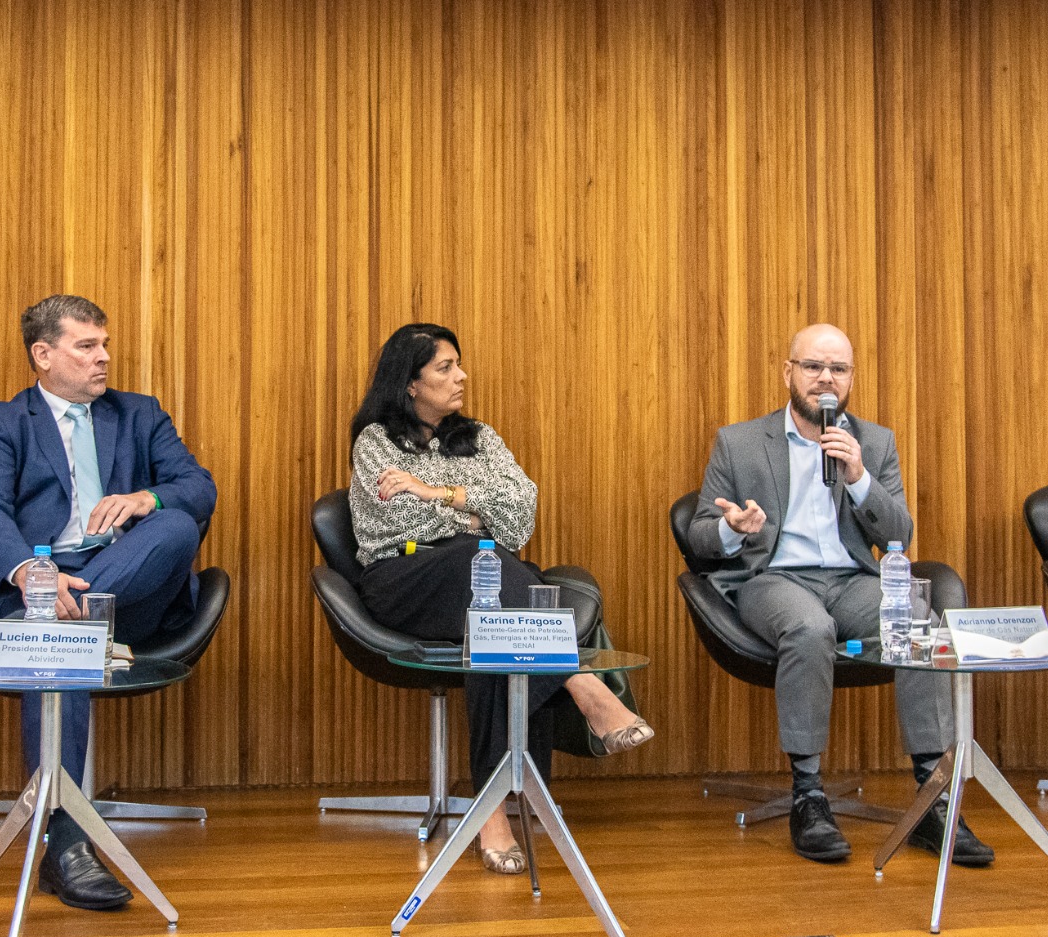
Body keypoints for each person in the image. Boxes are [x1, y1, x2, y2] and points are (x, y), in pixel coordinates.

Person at [349, 323, 652, 875]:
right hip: (405, 578)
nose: (461, 376)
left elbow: (520, 514)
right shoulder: (376, 441)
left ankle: (495, 816)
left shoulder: (480, 438)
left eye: (458, 364)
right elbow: (397, 517)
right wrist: (470, 517)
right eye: (444, 368)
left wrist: (439, 492)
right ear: (410, 383)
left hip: (482, 573)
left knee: (496, 618)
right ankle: (580, 681)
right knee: (482, 565)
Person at [688, 323, 990, 865]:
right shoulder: (738, 441)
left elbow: (898, 535)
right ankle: (808, 794)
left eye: (839, 369)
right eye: (813, 367)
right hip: (775, 579)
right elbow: (701, 534)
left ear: (850, 378)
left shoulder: (874, 442)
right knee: (809, 628)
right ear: (789, 372)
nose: (825, 379)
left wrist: (858, 478)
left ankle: (931, 800)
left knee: (916, 620)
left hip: (852, 580)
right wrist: (736, 527)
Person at [0, 294, 217, 911]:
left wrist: (146, 500)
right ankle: (66, 846)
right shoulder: (2, 420)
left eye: (104, 345)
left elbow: (197, 488)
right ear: (43, 356)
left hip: (128, 589)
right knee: (64, 656)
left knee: (176, 526)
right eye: (86, 346)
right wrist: (30, 571)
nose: (104, 358)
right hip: (39, 577)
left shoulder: (140, 414)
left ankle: (31, 629)